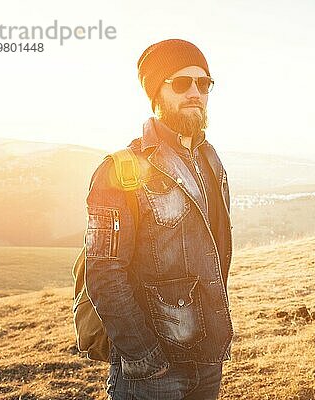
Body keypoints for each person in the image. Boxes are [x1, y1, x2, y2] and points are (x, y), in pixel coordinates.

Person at [83, 38, 234, 400]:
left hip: (209, 358)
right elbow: (103, 273)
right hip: (154, 370)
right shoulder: (120, 169)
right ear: (156, 93)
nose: (195, 92)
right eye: (181, 83)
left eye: (204, 83)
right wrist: (145, 357)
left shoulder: (211, 160)